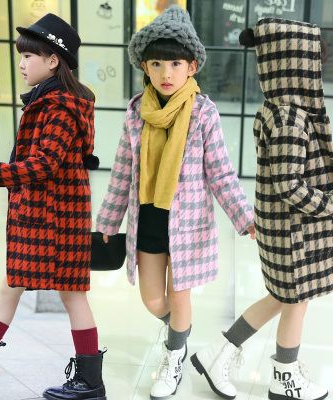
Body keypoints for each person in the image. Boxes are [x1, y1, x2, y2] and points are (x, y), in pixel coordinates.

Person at [95, 5, 255, 399]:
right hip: (148, 221)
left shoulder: (204, 114)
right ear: (145, 67)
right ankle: (182, 331)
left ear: (191, 67)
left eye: (176, 63)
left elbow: (221, 173)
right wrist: (107, 222)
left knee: (179, 296)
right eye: (157, 63)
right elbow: (121, 173)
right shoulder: (137, 112)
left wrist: (244, 217)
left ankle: (174, 356)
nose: (166, 73)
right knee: (153, 299)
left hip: (187, 227)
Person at [190, 18, 333, 400]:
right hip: (292, 230)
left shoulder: (275, 109)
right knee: (295, 300)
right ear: (295, 65)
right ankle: (285, 379)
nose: (316, 75)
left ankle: (219, 353)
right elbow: (289, 185)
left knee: (282, 297)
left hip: (281, 225)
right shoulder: (291, 117)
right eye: (313, 65)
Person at [0, 13, 106, 400]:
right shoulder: (49, 101)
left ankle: (90, 382)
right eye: (22, 56)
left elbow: (45, 164)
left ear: (53, 60)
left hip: (55, 220)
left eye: (29, 56)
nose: (22, 63)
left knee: (71, 294)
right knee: (12, 284)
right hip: (46, 216)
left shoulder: (59, 106)